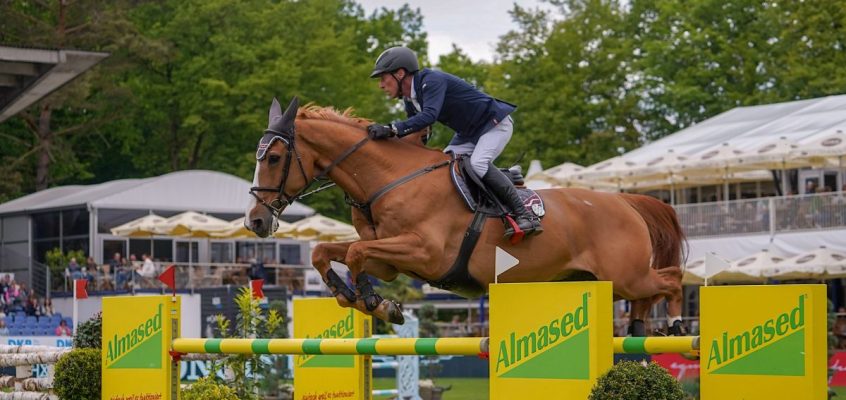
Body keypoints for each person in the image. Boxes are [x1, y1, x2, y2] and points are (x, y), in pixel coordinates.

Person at [366, 46, 542, 240]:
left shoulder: (431, 81)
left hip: (493, 123)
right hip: (468, 134)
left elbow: (429, 116)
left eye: (383, 78)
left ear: (400, 73)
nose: (381, 85)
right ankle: (508, 175)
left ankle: (524, 214)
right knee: (443, 167)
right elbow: (419, 133)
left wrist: (391, 128)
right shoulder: (410, 100)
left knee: (478, 164)